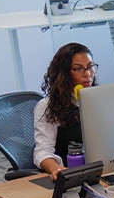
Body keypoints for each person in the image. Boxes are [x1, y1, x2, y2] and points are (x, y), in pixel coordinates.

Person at [33, 43, 98, 179]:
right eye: (78, 69)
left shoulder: (98, 98)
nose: (87, 74)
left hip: (97, 168)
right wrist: (56, 169)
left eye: (91, 67)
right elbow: (42, 152)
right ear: (64, 73)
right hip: (70, 172)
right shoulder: (47, 106)